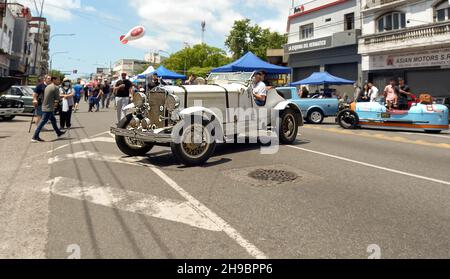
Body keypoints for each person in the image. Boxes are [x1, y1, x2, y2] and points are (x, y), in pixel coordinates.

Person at [32, 76, 66, 142]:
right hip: (49, 108)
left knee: (53, 120)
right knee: (42, 123)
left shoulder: (48, 87)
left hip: (45, 106)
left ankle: (58, 132)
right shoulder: (55, 87)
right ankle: (34, 137)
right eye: (58, 80)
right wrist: (64, 97)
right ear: (54, 80)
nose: (59, 81)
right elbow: (57, 98)